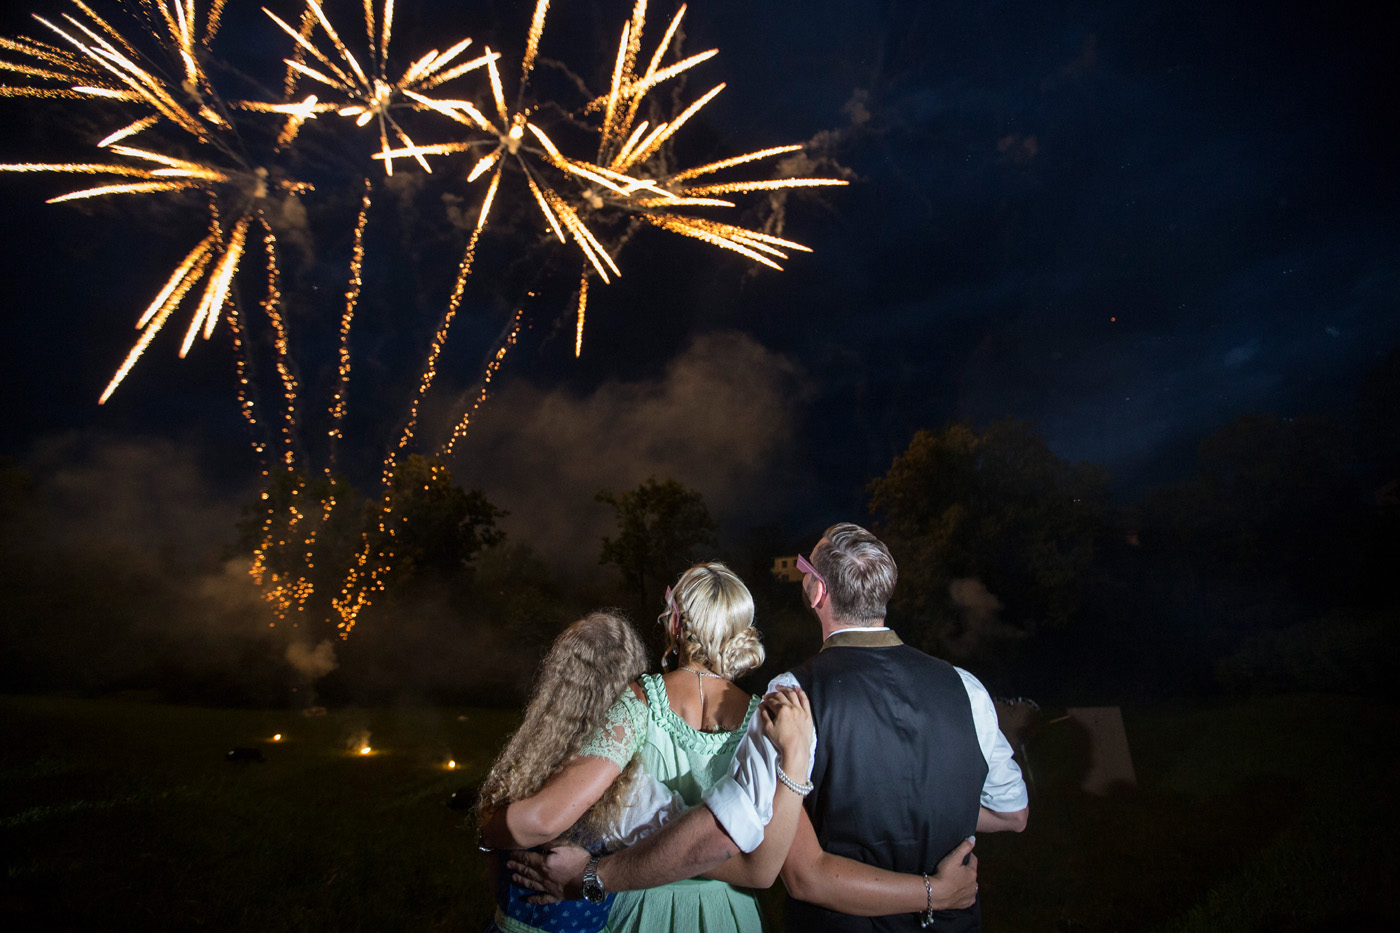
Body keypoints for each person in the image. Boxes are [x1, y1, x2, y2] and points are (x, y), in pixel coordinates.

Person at [511, 524, 1025, 931]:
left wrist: (595, 875)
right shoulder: (967, 687)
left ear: (816, 590)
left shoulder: (792, 695)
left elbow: (774, 862)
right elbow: (1013, 813)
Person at [476, 588, 816, 933]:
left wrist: (488, 826)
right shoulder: (768, 721)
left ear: (677, 622)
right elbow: (760, 870)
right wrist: (798, 757)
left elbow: (545, 818)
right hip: (727, 913)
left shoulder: (638, 703)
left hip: (635, 900)